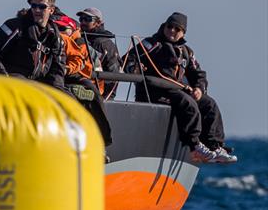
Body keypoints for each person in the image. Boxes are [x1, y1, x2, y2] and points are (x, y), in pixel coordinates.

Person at [125, 12, 235, 163]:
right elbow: (127, 60)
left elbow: (198, 74)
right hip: (155, 92)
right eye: (170, 27)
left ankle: (214, 145)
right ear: (164, 26)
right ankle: (194, 146)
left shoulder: (186, 52)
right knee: (188, 103)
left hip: (177, 92)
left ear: (183, 32)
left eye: (177, 29)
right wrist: (135, 68)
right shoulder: (152, 44)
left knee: (209, 104)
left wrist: (199, 88)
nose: (172, 31)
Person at [0, 0, 65, 90]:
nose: (37, 10)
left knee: (68, 98)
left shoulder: (56, 37)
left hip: (40, 83)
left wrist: (57, 89)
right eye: (33, 6)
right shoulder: (14, 26)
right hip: (14, 79)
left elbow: (58, 68)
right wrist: (3, 78)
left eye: (42, 7)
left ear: (51, 10)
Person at [53, 14, 113, 146]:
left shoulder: (80, 44)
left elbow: (82, 65)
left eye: (63, 28)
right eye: (56, 27)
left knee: (94, 95)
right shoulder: (53, 38)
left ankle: (103, 136)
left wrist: (66, 69)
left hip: (81, 76)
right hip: (56, 76)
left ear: (73, 30)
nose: (59, 30)